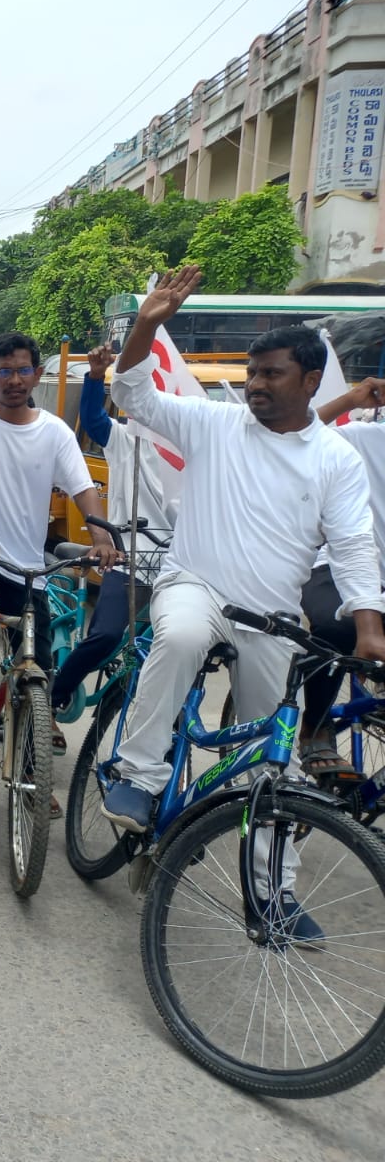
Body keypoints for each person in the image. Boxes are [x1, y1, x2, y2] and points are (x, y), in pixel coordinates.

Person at [101, 268, 385, 873]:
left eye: (270, 374)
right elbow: (130, 393)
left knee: (270, 762)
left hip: (273, 618)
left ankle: (271, 886)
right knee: (178, 637)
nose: (255, 384)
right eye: (251, 373)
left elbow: (355, 543)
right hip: (195, 587)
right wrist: (148, 323)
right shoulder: (214, 423)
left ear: (311, 381)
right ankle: (139, 775)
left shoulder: (337, 457)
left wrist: (369, 627)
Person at [0, 331, 116, 778]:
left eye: (23, 370)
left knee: (39, 658)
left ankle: (32, 774)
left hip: (27, 564)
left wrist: (102, 537)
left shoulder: (53, 431)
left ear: (36, 374)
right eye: (5, 371)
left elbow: (82, 489)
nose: (15, 380)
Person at [49, 343, 179, 716]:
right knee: (105, 636)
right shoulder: (126, 439)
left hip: (179, 564)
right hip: (129, 559)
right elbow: (91, 418)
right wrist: (94, 376)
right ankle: (57, 692)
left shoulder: (196, 447)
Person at [301, 375, 385, 771]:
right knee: (336, 629)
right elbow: (298, 431)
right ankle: (313, 729)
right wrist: (350, 399)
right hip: (338, 566)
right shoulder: (367, 437)